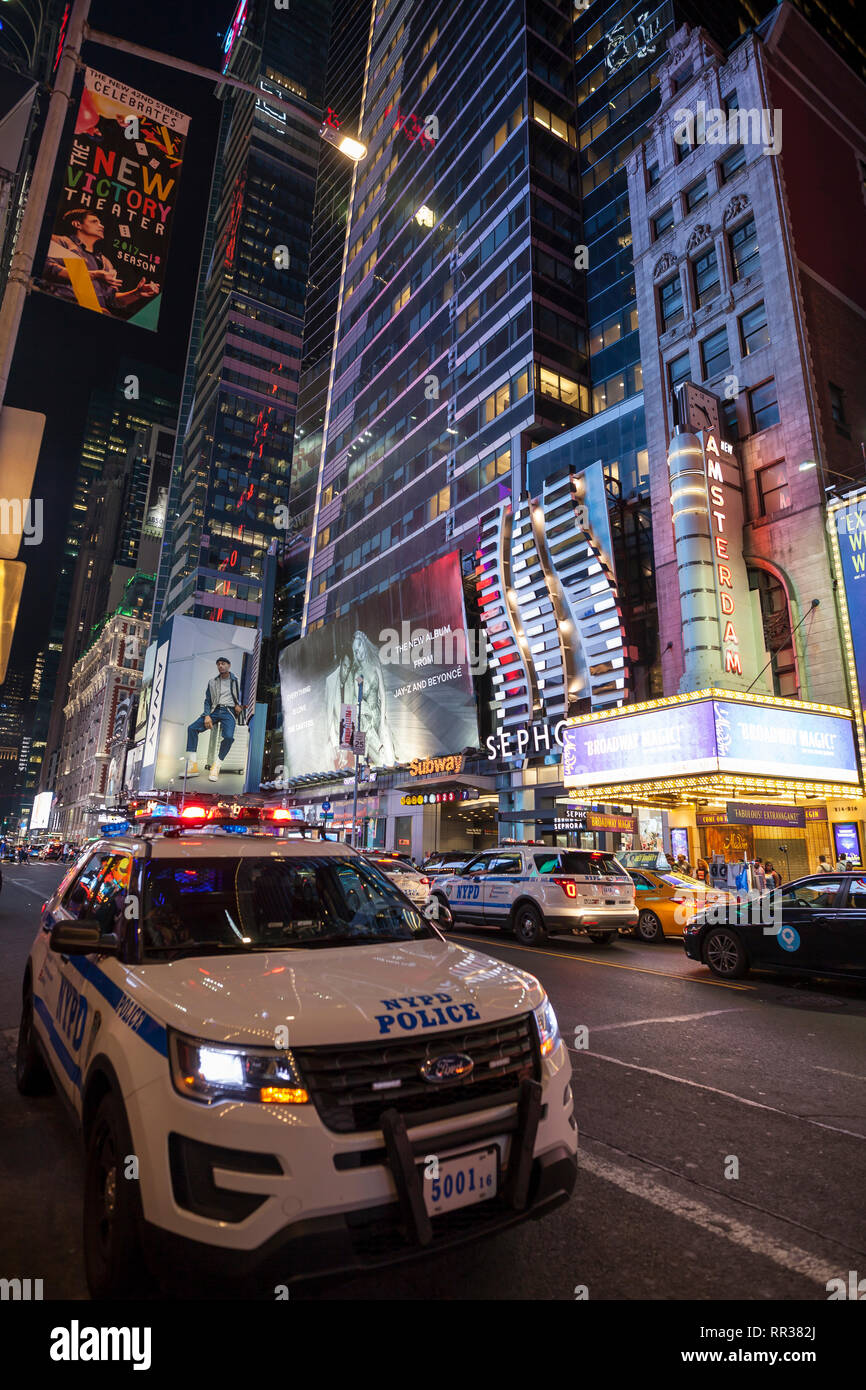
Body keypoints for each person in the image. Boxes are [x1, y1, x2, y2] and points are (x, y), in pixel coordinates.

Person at [41, 208, 159, 318]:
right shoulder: (59, 241)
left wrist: (137, 293)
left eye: (100, 223)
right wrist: (94, 275)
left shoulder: (105, 262)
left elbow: (112, 300)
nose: (101, 226)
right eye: (94, 222)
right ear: (77, 224)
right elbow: (48, 268)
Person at [185, 657, 244, 782]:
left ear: (229, 665)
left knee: (228, 737)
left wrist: (240, 705)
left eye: (223, 664)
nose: (220, 666)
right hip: (214, 710)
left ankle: (216, 765)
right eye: (218, 664)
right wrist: (207, 715)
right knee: (192, 728)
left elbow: (244, 695)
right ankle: (192, 766)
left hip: (229, 711)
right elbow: (208, 700)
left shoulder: (236, 680)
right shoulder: (212, 682)